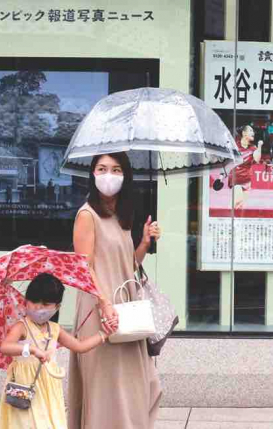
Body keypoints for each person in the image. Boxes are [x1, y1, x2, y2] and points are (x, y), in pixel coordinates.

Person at [69, 152, 162, 429]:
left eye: (116, 169)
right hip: (99, 311)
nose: (108, 175)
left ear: (125, 176)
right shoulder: (87, 215)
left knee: (137, 383)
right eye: (101, 168)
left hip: (126, 310)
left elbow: (126, 266)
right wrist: (104, 305)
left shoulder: (122, 216)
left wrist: (144, 242)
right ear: (93, 174)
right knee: (105, 387)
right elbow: (83, 268)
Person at [0, 273, 109, 429]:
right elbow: (5, 347)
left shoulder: (55, 329)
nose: (38, 308)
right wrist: (31, 349)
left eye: (45, 304)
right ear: (26, 301)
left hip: (48, 387)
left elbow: (79, 346)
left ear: (57, 307)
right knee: (26, 423)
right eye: (34, 302)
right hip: (24, 386)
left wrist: (104, 334)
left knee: (48, 423)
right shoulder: (22, 326)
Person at [228, 125, 262, 210]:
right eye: (250, 130)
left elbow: (257, 159)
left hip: (247, 181)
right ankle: (226, 217)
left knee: (240, 207)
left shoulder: (253, 148)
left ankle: (235, 221)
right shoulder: (235, 146)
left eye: (253, 131)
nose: (253, 133)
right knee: (237, 201)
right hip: (236, 178)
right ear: (244, 133)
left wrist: (259, 146)